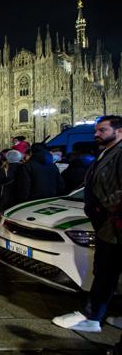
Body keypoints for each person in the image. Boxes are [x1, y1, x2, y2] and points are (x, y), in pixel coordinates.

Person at [52, 116, 122, 337]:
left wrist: (105, 208)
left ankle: (92, 318)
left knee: (106, 272)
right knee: (106, 272)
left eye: (102, 129)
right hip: (108, 224)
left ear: (119, 131)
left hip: (114, 225)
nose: (96, 134)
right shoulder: (108, 152)